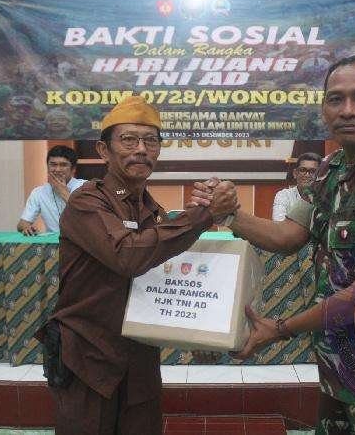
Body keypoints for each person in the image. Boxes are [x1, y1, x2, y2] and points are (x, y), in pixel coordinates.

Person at [191, 55, 355, 435]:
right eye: (335, 99)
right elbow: (288, 236)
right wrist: (230, 214)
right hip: (336, 357)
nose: (347, 110)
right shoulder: (330, 170)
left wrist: (280, 328)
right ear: (323, 108)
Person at [42, 96, 238, 434]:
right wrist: (203, 215)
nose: (142, 150)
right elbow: (128, 256)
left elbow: (165, 280)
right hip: (89, 356)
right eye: (129, 140)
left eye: (151, 141)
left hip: (139, 358)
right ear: (104, 150)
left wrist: (200, 335)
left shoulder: (153, 210)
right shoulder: (87, 201)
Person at [17, 145, 85, 235]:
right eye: (53, 165)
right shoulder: (38, 192)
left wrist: (64, 193)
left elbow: (89, 218)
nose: (57, 169)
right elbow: (22, 224)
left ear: (73, 169)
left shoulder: (85, 187)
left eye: (63, 165)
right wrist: (27, 227)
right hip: (52, 242)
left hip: (81, 240)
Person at [272, 152, 321, 221]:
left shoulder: (326, 197)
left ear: (320, 175)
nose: (307, 175)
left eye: (313, 171)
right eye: (302, 170)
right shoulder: (284, 195)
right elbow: (279, 223)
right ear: (295, 173)